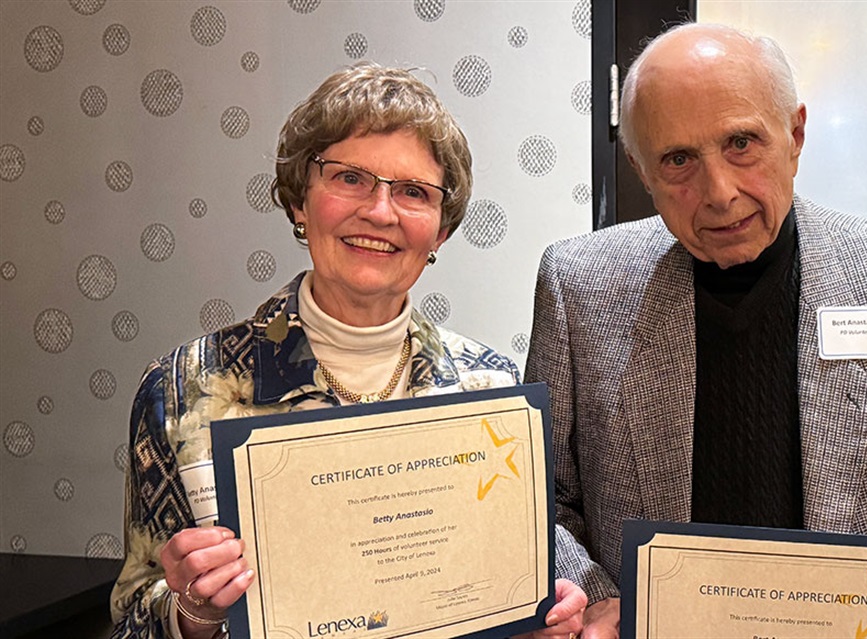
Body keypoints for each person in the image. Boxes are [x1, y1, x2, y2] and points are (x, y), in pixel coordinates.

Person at [526, 23, 867, 639]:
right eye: (678, 160)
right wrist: (593, 602)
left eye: (742, 143)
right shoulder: (577, 287)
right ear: (641, 169)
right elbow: (544, 502)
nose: (719, 193)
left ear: (796, 134)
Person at [111, 62, 586, 639]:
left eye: (413, 192)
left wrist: (540, 615)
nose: (380, 212)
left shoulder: (495, 392)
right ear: (299, 203)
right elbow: (130, 622)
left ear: (439, 231)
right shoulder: (182, 388)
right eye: (350, 178)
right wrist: (192, 614)